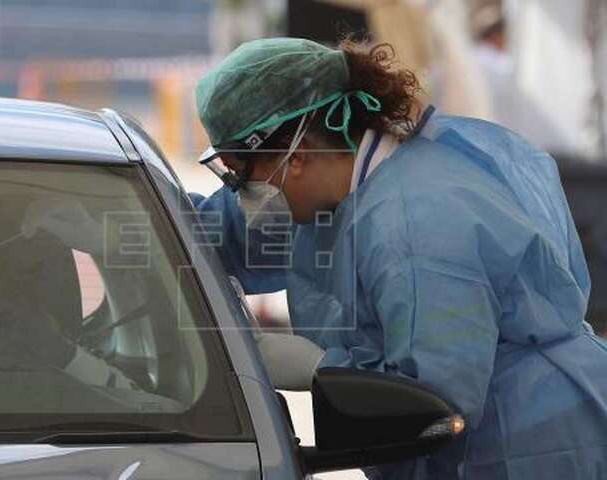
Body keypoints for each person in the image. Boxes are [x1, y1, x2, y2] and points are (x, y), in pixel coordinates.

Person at [190, 37, 607, 479]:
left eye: (240, 175)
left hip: (530, 445)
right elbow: (219, 233)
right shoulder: (331, 193)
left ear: (297, 155)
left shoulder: (417, 225)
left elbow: (431, 397)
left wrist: (322, 369)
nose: (241, 195)